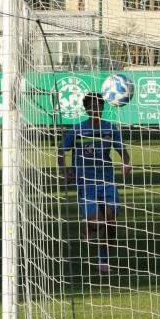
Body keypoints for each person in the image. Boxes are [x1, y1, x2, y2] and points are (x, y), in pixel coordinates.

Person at [58, 92, 131, 273]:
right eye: (91, 106)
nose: (95, 109)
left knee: (111, 221)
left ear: (103, 108)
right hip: (85, 182)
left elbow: (122, 150)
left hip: (106, 180)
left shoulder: (110, 129)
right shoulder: (77, 130)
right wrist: (65, 171)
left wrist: (126, 164)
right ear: (86, 109)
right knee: (98, 223)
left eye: (98, 106)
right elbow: (61, 151)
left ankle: (103, 260)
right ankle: (87, 227)